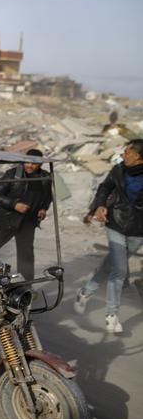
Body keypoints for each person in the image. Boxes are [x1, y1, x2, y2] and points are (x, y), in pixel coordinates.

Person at [75, 139, 143, 333]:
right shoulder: (118, 170)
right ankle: (111, 315)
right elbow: (104, 188)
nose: (123, 155)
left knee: (111, 264)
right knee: (120, 270)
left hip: (138, 229)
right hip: (116, 222)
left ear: (139, 156)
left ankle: (85, 293)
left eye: (128, 152)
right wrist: (100, 206)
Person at [0, 149, 52, 281]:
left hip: (28, 222)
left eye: (34, 163)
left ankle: (25, 286)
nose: (30, 166)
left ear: (40, 164)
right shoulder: (13, 174)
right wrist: (14, 205)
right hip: (7, 220)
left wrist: (43, 208)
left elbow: (48, 197)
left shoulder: (45, 178)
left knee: (26, 256)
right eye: (27, 162)